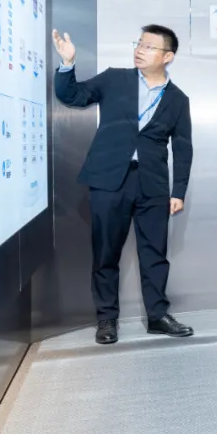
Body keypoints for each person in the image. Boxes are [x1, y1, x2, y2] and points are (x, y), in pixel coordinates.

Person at [53, 25, 195, 345]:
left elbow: (183, 148)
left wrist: (178, 191)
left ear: (167, 56)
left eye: (149, 46)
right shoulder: (114, 79)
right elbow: (73, 95)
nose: (140, 50)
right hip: (109, 180)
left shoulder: (178, 99)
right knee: (106, 252)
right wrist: (67, 63)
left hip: (153, 185)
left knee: (155, 254)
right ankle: (107, 318)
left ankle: (157, 316)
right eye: (139, 44)